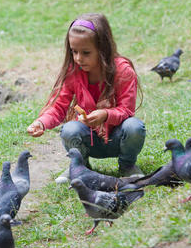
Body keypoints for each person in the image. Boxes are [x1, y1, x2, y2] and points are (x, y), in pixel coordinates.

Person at [27, 13, 145, 181]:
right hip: (89, 138)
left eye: (86, 52)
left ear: (103, 49)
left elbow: (126, 110)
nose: (78, 58)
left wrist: (105, 114)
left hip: (117, 138)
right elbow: (58, 107)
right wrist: (41, 122)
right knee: (69, 129)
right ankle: (79, 166)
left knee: (134, 127)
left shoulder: (123, 71)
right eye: (74, 51)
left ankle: (127, 165)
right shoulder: (73, 73)